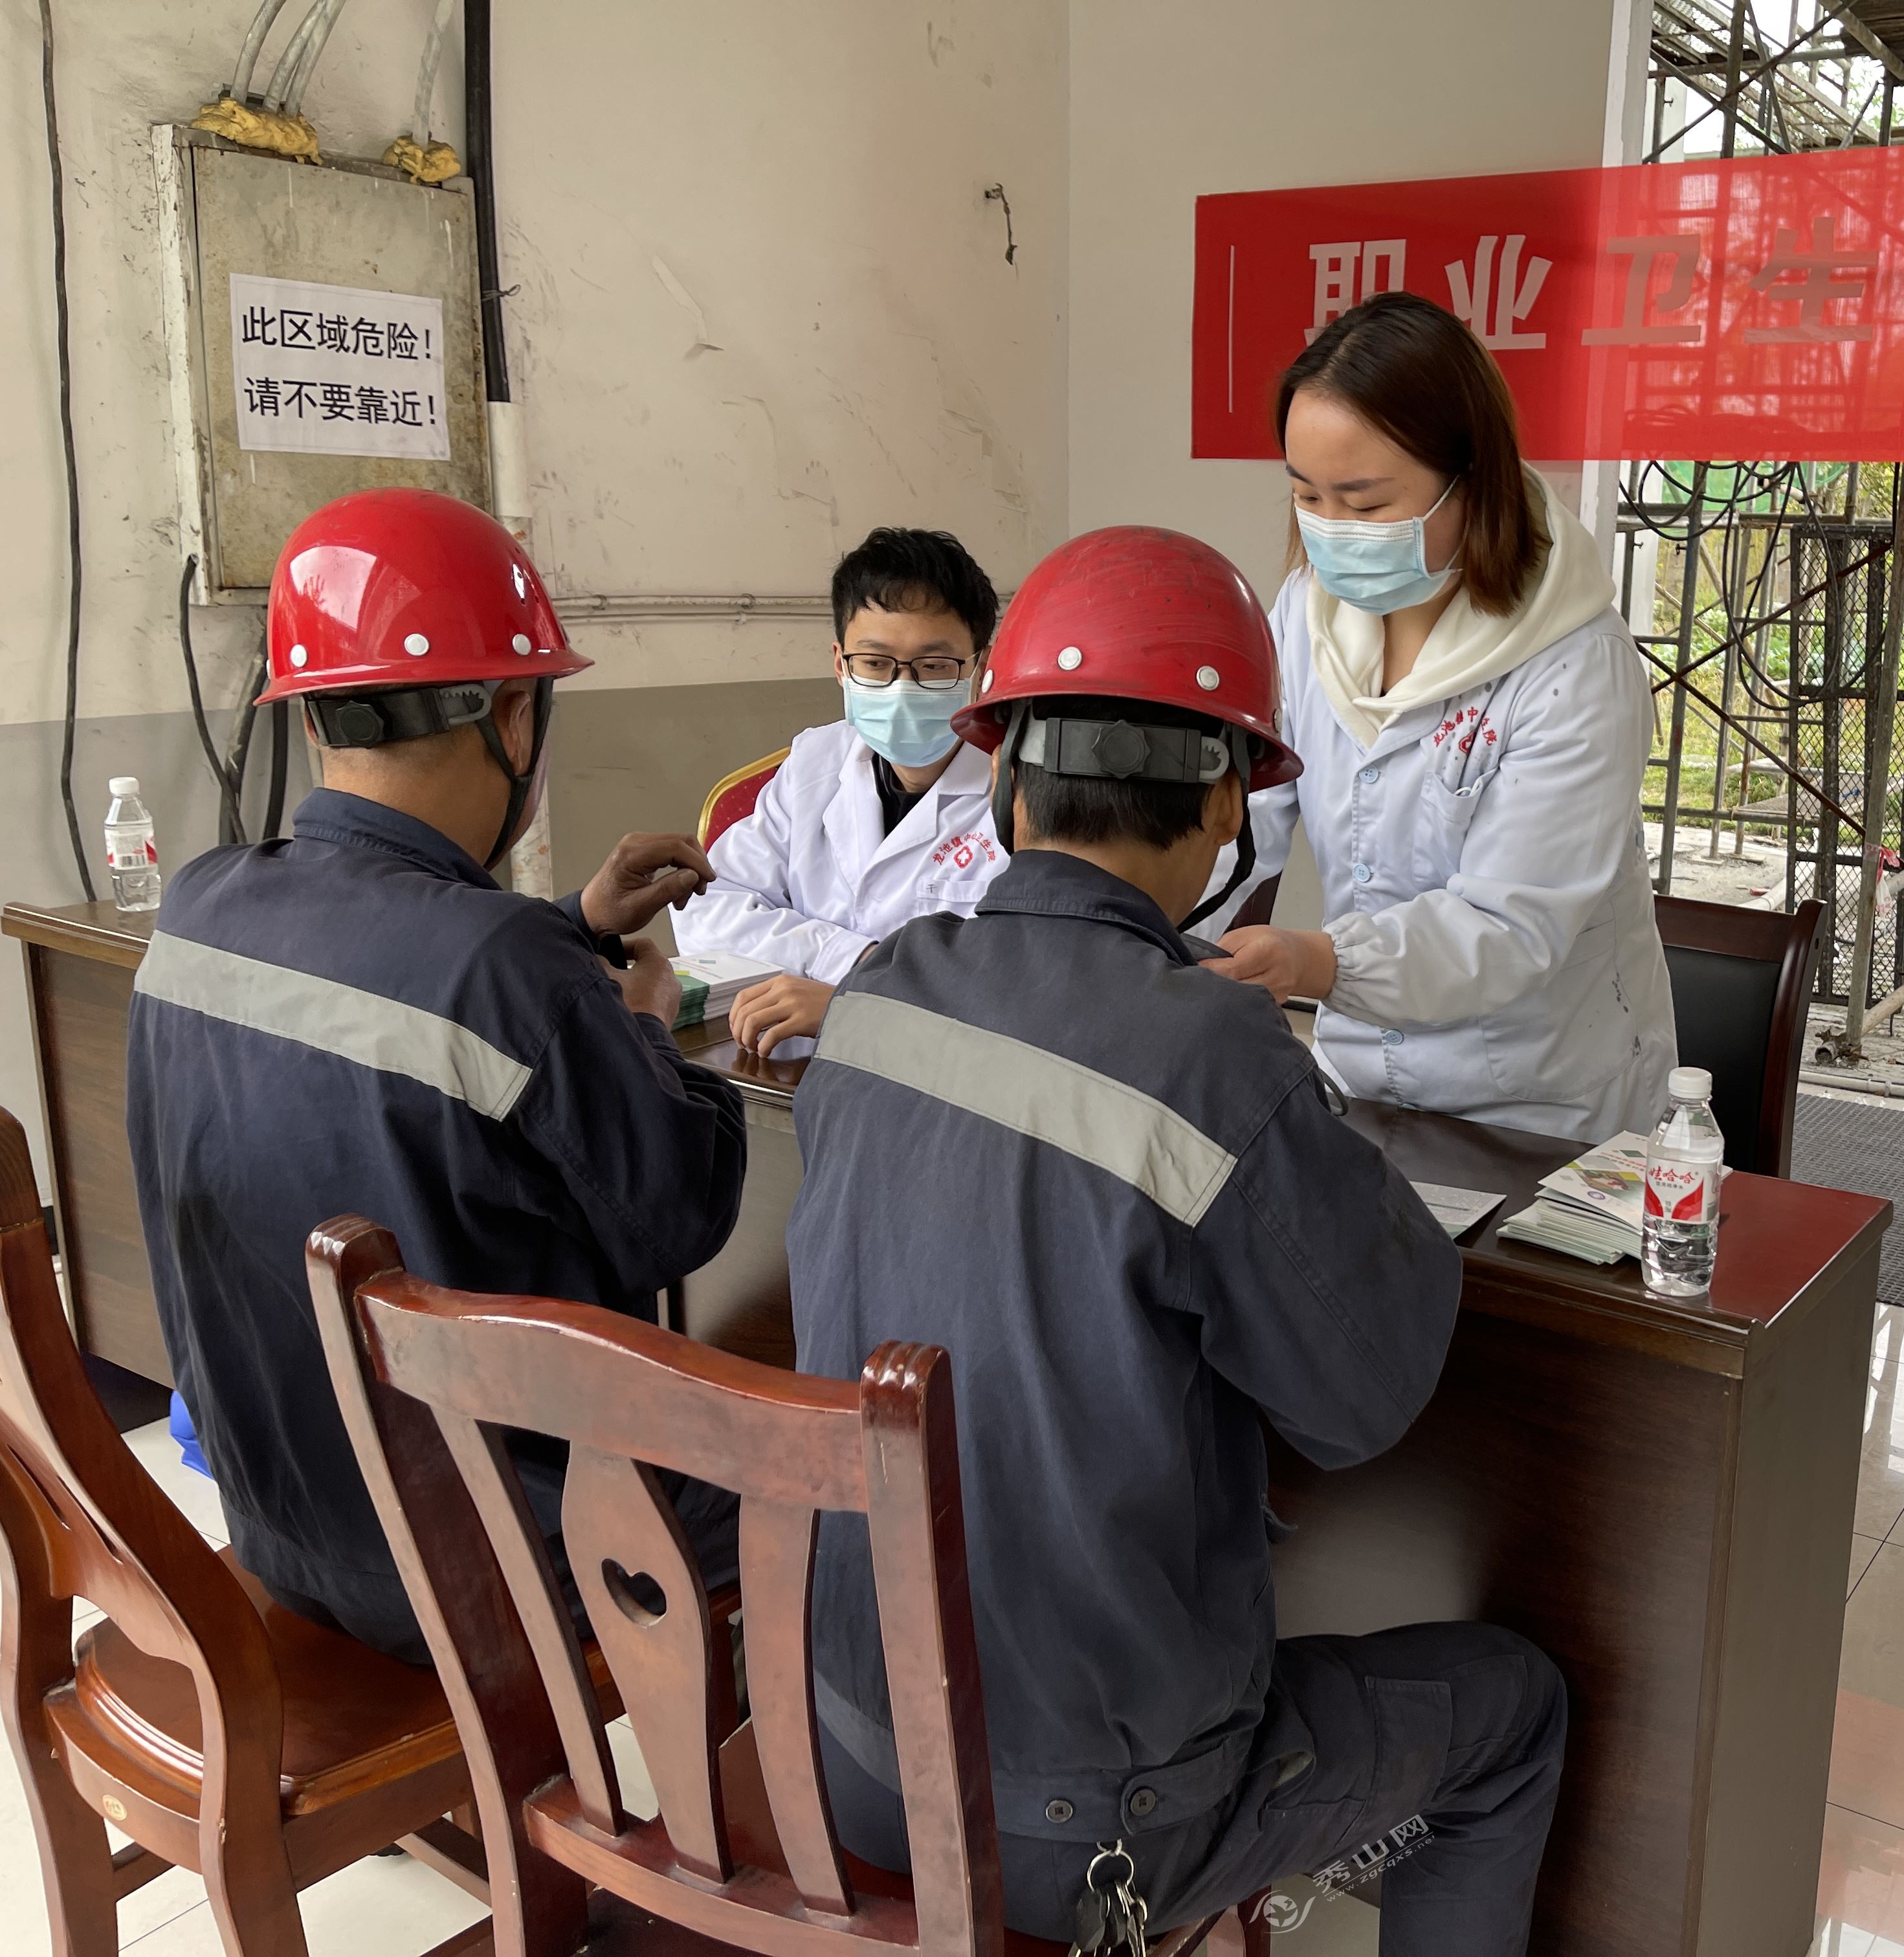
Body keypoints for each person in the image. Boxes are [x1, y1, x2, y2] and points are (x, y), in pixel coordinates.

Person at [788, 526, 1567, 1955]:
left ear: (1006, 783)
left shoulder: (883, 991)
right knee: (1512, 1708)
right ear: (1224, 804)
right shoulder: (1211, 1050)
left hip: (845, 1750)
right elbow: (1364, 1399)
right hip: (1088, 1827)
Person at [126, 488, 746, 1664]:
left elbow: (386, 967)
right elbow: (679, 1214)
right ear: (513, 717)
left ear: (314, 717)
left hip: (282, 1525)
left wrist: (571, 925)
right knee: (819, 1494)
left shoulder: (199, 908)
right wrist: (647, 1027)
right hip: (499, 1571)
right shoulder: (505, 969)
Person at [1206, 291, 1676, 1145]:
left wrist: (1315, 960)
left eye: (1365, 504)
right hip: (1360, 1077)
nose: (1331, 531)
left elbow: (1509, 927)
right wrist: (1144, 919)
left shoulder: (1575, 665)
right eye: (1308, 495)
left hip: (1540, 1101)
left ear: (1471, 481)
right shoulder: (1307, 613)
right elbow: (1240, 809)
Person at [674, 527, 1008, 1058]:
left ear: (981, 668)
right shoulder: (817, 761)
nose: (902, 689)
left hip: (938, 1078)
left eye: (934, 667)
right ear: (840, 665)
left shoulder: (1020, 791)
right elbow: (709, 909)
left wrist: (853, 1001)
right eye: (875, 663)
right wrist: (852, 959)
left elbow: (1013, 986)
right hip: (788, 1069)